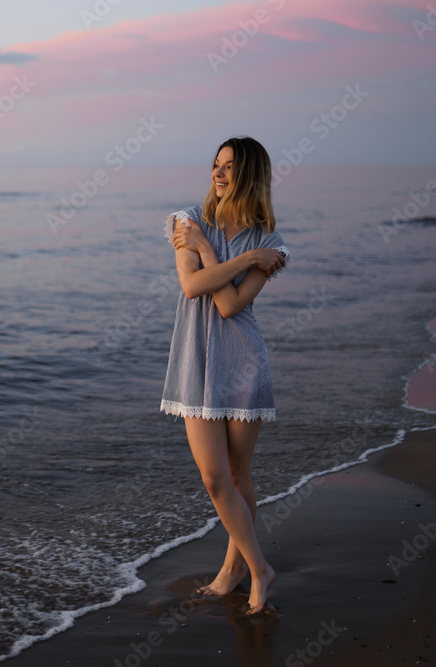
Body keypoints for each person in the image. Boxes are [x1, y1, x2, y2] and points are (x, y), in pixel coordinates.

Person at [160, 135, 289, 615]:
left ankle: (234, 569)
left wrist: (219, 257)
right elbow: (192, 288)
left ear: (250, 175)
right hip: (195, 360)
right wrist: (240, 262)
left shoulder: (269, 244)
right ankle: (260, 568)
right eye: (215, 164)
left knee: (238, 474)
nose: (218, 173)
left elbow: (231, 303)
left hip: (243, 361)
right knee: (215, 479)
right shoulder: (187, 220)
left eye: (230, 167)